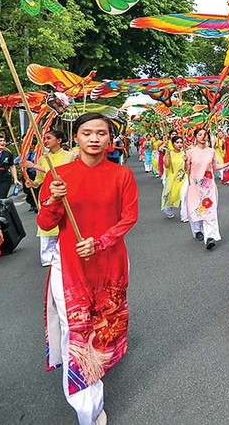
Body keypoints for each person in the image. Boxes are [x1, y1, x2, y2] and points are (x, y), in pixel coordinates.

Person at [38, 112, 139, 425]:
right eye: (87, 133)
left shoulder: (122, 175)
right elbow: (45, 223)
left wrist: (101, 241)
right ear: (76, 138)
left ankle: (98, 374)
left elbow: (129, 217)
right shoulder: (59, 175)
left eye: (101, 133)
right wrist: (54, 199)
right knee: (78, 332)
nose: (94, 138)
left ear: (110, 139)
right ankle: (87, 408)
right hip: (70, 267)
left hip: (110, 263)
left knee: (105, 327)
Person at [23, 130, 77, 267]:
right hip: (47, 194)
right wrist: (32, 183)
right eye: (44, 138)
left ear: (59, 140)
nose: (45, 141)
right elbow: (40, 179)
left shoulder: (69, 156)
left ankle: (66, 252)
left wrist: (34, 165)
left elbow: (58, 172)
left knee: (66, 223)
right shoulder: (42, 158)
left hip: (65, 193)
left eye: (48, 138)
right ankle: (47, 257)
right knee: (46, 224)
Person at [186, 127, 229, 249]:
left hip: (208, 186)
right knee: (195, 210)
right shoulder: (189, 152)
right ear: (195, 137)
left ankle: (210, 237)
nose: (203, 137)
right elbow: (186, 170)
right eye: (200, 135)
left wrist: (228, 164)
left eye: (205, 134)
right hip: (195, 186)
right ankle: (197, 231)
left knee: (210, 211)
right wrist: (185, 161)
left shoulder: (211, 151)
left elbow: (215, 166)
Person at [161, 136, 186, 219]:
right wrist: (167, 155)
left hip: (184, 177)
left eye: (181, 142)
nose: (179, 144)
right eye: (177, 142)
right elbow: (167, 165)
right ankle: (169, 208)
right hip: (173, 177)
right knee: (172, 196)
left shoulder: (185, 153)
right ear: (173, 144)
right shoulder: (169, 153)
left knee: (184, 195)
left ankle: (185, 214)